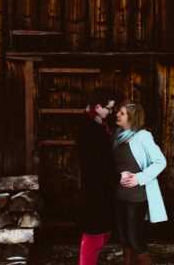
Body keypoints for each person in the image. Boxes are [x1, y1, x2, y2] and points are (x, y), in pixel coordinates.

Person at [113, 101, 167, 265]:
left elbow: (160, 161)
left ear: (132, 117)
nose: (117, 115)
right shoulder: (117, 135)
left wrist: (139, 178)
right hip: (118, 195)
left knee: (135, 238)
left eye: (122, 113)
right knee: (123, 238)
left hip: (136, 197)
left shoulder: (143, 136)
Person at [75, 87, 120, 265]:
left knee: (103, 232)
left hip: (101, 187)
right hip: (95, 189)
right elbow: (94, 162)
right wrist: (115, 177)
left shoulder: (97, 122)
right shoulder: (88, 126)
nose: (111, 112)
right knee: (93, 235)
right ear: (99, 106)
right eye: (109, 108)